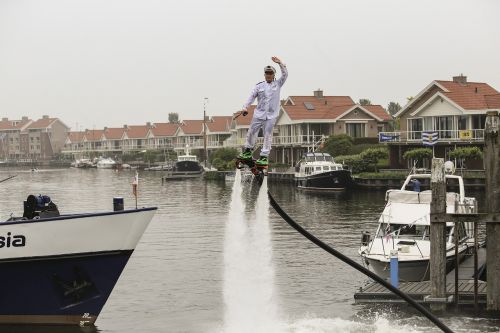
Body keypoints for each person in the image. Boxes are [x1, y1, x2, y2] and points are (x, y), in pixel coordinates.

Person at [238, 56, 288, 166]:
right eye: (267, 73)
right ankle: (247, 151)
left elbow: (285, 75)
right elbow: (251, 97)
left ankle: (264, 156)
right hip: (259, 114)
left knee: (267, 134)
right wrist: (245, 108)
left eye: (271, 73)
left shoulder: (278, 84)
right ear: (264, 75)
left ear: (273, 75)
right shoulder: (259, 86)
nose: (269, 75)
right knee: (251, 131)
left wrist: (280, 63)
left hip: (271, 115)